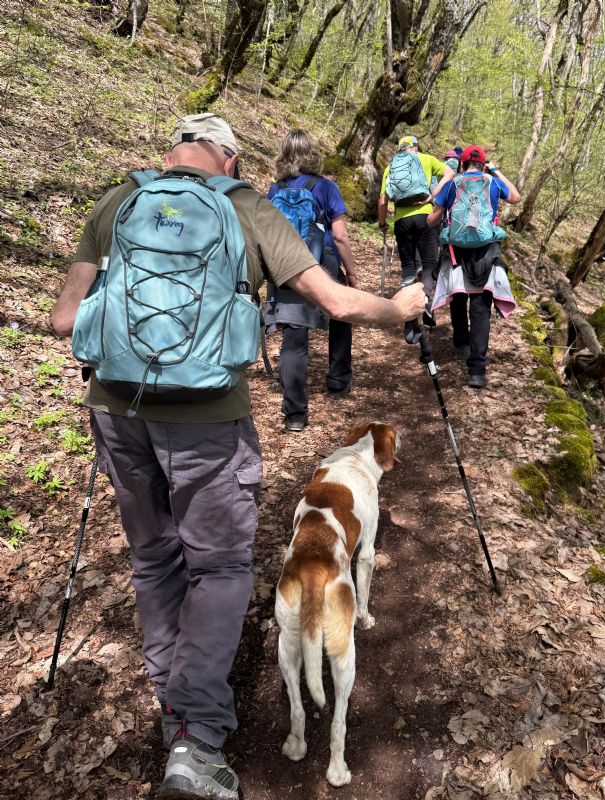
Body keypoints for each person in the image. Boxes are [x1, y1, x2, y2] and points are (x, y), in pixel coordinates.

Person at [50, 113, 425, 800]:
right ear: (229, 157)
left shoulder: (118, 201)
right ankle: (196, 741)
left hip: (117, 412)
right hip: (207, 422)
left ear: (175, 149)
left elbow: (66, 321)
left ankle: (176, 708)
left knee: (153, 560)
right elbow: (336, 303)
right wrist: (400, 309)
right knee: (218, 568)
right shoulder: (243, 206)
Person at [264, 130, 356, 432]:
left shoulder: (274, 191)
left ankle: (295, 414)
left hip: (287, 265)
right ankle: (338, 381)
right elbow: (340, 235)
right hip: (322, 259)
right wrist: (350, 273)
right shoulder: (326, 187)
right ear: (313, 153)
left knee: (294, 336)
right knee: (340, 312)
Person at [427, 144, 520, 388]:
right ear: (483, 164)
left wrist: (440, 211)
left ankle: (460, 343)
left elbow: (431, 221)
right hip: (486, 251)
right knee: (481, 308)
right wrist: (496, 171)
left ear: (461, 163)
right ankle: (476, 370)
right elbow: (516, 197)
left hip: (456, 251)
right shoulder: (492, 182)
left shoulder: (452, 184)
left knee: (458, 297)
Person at [377, 135, 454, 342]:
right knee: (428, 265)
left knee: (408, 269)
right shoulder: (427, 159)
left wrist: (382, 223)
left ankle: (411, 326)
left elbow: (383, 200)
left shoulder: (391, 167)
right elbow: (450, 173)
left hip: (402, 220)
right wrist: (434, 194)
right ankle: (426, 303)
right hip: (426, 218)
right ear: (416, 147)